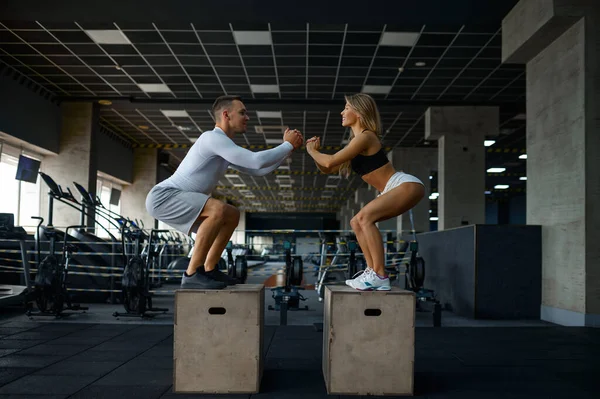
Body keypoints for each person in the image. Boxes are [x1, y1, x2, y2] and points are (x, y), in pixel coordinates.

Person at [146, 95, 304, 289]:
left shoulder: (225, 146)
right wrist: (286, 144)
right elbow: (256, 160)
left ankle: (209, 268)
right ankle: (191, 273)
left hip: (173, 198)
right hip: (163, 197)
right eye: (243, 112)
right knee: (217, 209)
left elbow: (259, 170)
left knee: (231, 214)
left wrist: (288, 151)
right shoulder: (211, 138)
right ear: (226, 115)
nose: (247, 117)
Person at [305, 93, 425, 291]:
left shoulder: (366, 136)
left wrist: (311, 151)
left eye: (346, 107)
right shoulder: (356, 142)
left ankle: (379, 274)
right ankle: (372, 272)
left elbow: (328, 161)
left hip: (404, 184)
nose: (342, 112)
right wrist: (316, 154)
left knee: (364, 218)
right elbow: (327, 168)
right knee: (356, 221)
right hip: (394, 188)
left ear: (359, 112)